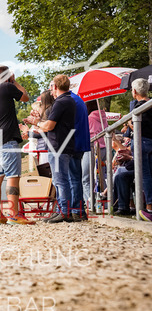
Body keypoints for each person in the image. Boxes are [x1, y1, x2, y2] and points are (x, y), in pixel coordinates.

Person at [0, 65, 31, 225]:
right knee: (12, 177)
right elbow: (25, 97)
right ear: (8, 78)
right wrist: (14, 82)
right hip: (7, 141)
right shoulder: (8, 87)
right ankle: (14, 214)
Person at [33, 75, 77, 223]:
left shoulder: (61, 102)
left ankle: (64, 211)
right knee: (61, 180)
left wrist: (37, 122)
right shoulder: (69, 100)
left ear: (56, 87)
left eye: (51, 87)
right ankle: (60, 210)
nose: (50, 91)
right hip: (64, 145)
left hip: (58, 146)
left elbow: (49, 126)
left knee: (60, 181)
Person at [130, 78, 152, 222]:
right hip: (150, 141)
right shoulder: (150, 103)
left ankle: (149, 208)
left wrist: (129, 123)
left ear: (134, 91)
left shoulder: (138, 107)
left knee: (145, 175)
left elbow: (136, 126)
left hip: (142, 142)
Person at [67, 89, 91, 220]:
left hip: (73, 144)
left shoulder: (70, 100)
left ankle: (77, 210)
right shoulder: (77, 100)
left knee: (74, 178)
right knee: (75, 177)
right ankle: (77, 209)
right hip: (79, 143)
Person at [84, 101, 108, 205]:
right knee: (101, 178)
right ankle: (105, 203)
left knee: (86, 179)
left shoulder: (89, 119)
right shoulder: (103, 118)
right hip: (103, 149)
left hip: (92, 149)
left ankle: (91, 204)